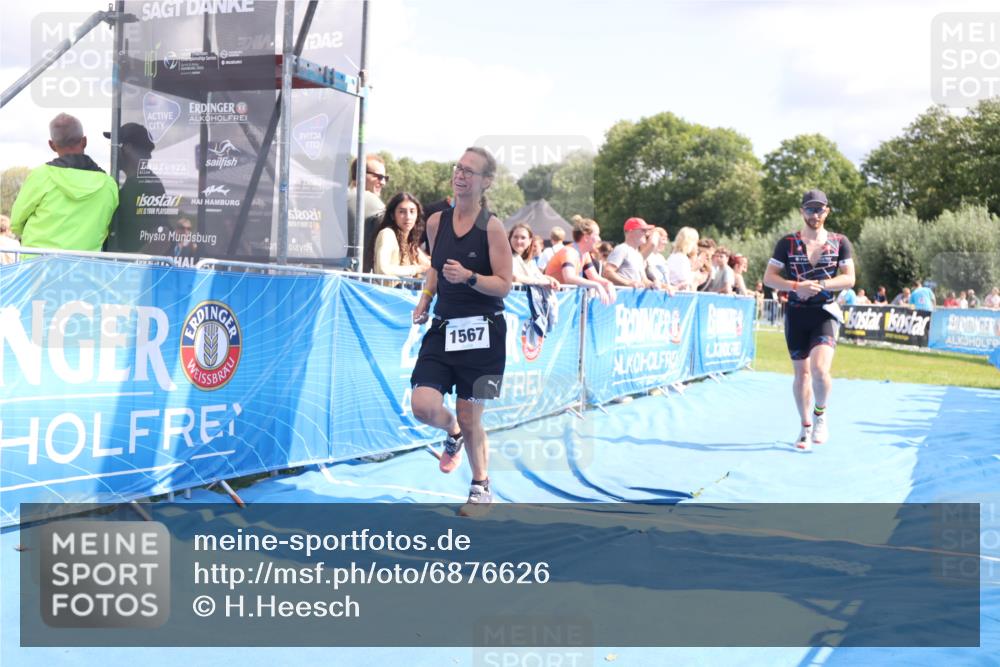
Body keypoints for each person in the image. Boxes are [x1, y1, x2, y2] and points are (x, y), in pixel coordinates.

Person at [410, 147, 512, 516]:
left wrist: (469, 277)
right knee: (422, 406)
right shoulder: (436, 222)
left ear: (486, 182)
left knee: (472, 418)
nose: (461, 175)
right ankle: (450, 431)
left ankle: (481, 486)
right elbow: (436, 268)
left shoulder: (493, 228)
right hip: (443, 328)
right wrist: (425, 298)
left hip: (485, 334)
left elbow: (504, 285)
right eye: (459, 168)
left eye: (470, 171)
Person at [763, 189, 855, 451]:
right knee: (801, 374)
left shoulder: (840, 241)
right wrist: (795, 286)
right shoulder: (787, 243)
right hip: (796, 314)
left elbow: (849, 278)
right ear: (802, 211)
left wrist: (821, 284)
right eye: (810, 209)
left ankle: (820, 415)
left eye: (820, 209)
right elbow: (769, 278)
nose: (815, 214)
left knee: (820, 370)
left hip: (824, 312)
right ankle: (804, 427)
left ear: (827, 211)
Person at [10, 113, 118, 252]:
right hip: (85, 263)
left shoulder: (40, 176)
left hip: (38, 263)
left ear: (52, 145)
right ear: (84, 141)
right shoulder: (109, 185)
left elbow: (16, 223)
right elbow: (108, 227)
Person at [104, 122, 167, 253]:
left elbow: (162, 234)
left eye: (115, 145)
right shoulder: (138, 181)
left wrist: (133, 260)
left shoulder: (148, 183)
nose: (112, 151)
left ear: (127, 148)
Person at [544, 216, 616, 304]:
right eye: (596, 235)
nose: (599, 239)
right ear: (586, 237)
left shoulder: (585, 254)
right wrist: (596, 285)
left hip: (561, 298)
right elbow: (569, 278)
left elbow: (594, 277)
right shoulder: (569, 252)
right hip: (550, 298)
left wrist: (608, 283)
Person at [367, 192, 431, 280]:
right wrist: (416, 269)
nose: (408, 217)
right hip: (386, 289)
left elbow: (427, 265)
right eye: (402, 212)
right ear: (392, 215)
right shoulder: (387, 234)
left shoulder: (409, 241)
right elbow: (383, 269)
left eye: (412, 211)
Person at [350, 154, 389, 272]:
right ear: (360, 174)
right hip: (356, 277)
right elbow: (399, 231)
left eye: (385, 178)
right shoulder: (369, 199)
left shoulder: (338, 196)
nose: (383, 182)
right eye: (378, 177)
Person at [603, 217, 654, 289]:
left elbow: (644, 280)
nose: (647, 233)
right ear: (631, 231)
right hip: (621, 294)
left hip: (632, 295)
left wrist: (653, 284)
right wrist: (628, 283)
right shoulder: (621, 249)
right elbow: (607, 272)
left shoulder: (638, 255)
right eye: (643, 230)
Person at [509, 223, 560, 288]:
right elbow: (515, 277)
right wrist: (543, 282)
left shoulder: (529, 261)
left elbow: (537, 276)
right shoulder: (506, 257)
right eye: (515, 237)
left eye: (523, 238)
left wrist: (550, 279)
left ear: (530, 241)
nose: (518, 241)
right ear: (510, 238)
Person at [666, 226, 700, 291]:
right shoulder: (682, 258)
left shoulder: (673, 256)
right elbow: (685, 282)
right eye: (696, 242)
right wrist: (694, 270)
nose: (696, 246)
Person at [644, 227, 674, 292]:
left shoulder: (661, 258)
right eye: (663, 239)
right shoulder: (646, 256)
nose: (666, 242)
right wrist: (665, 286)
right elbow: (646, 279)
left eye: (666, 240)